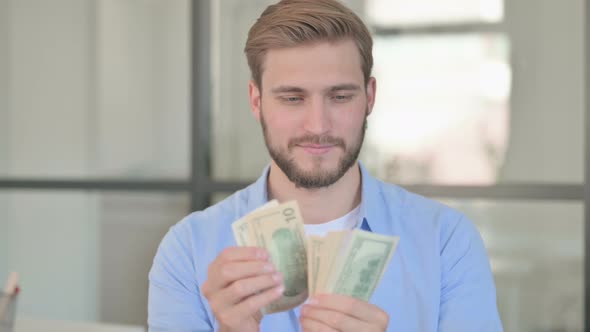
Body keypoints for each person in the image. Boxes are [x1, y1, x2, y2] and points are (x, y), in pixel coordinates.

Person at [148, 0, 503, 331]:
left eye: (340, 96)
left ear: (370, 97)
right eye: (292, 98)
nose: (317, 126)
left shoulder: (446, 243)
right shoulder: (187, 250)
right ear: (256, 101)